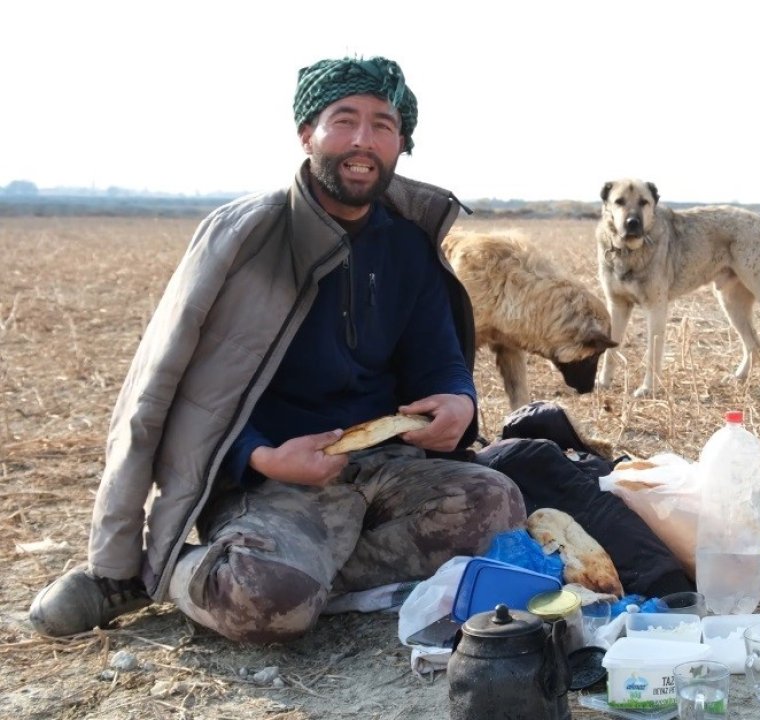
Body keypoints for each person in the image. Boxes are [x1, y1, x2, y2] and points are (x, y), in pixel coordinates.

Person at [28, 56, 526, 644]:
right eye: (344, 121)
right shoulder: (242, 240)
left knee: (497, 510)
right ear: (306, 134)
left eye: (383, 125)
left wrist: (459, 402)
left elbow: (437, 357)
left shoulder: (408, 245)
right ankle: (155, 574)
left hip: (385, 466)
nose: (363, 141)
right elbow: (169, 394)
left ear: (400, 144)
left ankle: (303, 574)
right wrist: (261, 457)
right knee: (261, 604)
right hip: (271, 480)